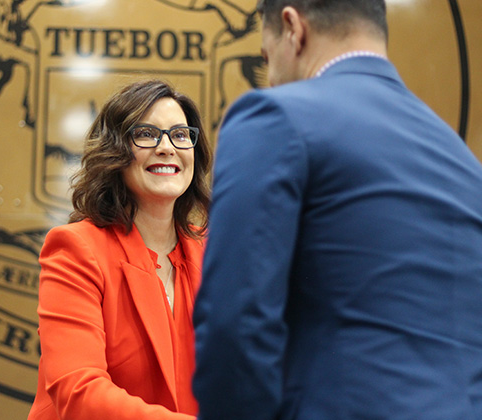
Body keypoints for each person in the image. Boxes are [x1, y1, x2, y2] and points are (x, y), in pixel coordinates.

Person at [192, 1, 482, 419]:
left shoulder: (275, 117)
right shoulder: (460, 159)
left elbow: (234, 326)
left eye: (265, 57)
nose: (270, 77)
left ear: (293, 28)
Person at [27, 79, 212, 420]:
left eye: (181, 135)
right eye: (147, 134)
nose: (167, 147)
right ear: (115, 151)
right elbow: (78, 392)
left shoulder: (215, 251)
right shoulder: (76, 249)